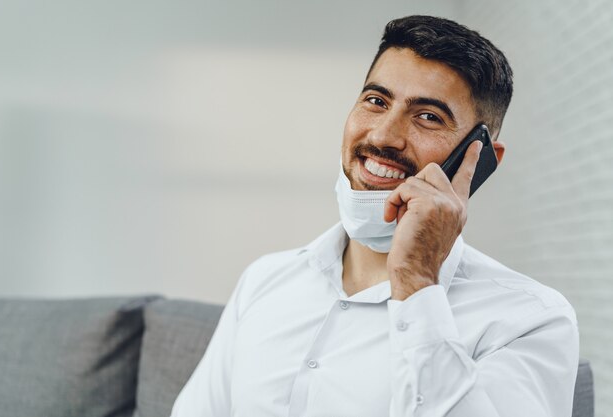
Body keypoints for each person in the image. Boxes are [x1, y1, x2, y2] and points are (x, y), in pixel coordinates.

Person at [171, 15, 579, 417]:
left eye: (428, 117)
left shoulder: (531, 319)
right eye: (376, 101)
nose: (383, 136)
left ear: (482, 159)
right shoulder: (264, 280)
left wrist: (417, 282)